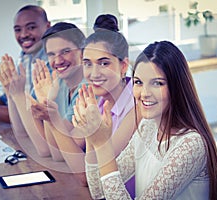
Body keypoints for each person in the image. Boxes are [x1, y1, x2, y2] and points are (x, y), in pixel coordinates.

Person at [75, 40, 217, 199]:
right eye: (138, 82)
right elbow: (98, 190)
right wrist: (91, 136)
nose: (144, 93)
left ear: (176, 87)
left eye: (157, 83)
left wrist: (102, 145)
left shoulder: (191, 145)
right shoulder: (147, 127)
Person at [36, 14, 137, 193]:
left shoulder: (136, 106)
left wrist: (53, 118)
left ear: (123, 66)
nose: (94, 73)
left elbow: (88, 177)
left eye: (104, 63)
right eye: (87, 64)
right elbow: (62, 154)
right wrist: (49, 108)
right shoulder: (100, 101)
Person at [0, 22, 86, 160]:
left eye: (66, 51)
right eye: (51, 54)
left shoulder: (87, 88)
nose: (58, 61)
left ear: (82, 52)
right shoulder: (54, 79)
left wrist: (23, 96)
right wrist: (12, 94)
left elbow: (50, 151)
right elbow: (22, 132)